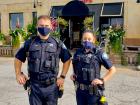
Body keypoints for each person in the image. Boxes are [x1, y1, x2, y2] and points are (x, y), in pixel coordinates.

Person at [14, 15, 71, 105]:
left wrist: (62, 76)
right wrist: (18, 74)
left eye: (46, 26)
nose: (44, 28)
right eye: (41, 25)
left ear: (51, 27)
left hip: (52, 87)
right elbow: (18, 58)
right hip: (34, 86)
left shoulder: (58, 44)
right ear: (37, 26)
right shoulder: (30, 42)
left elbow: (67, 59)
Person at [71, 30, 116, 105]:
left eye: (89, 39)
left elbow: (113, 69)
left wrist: (102, 80)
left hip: (93, 93)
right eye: (85, 39)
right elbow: (75, 65)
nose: (87, 41)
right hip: (80, 92)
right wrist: (73, 74)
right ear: (82, 40)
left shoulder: (99, 53)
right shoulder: (78, 52)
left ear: (94, 40)